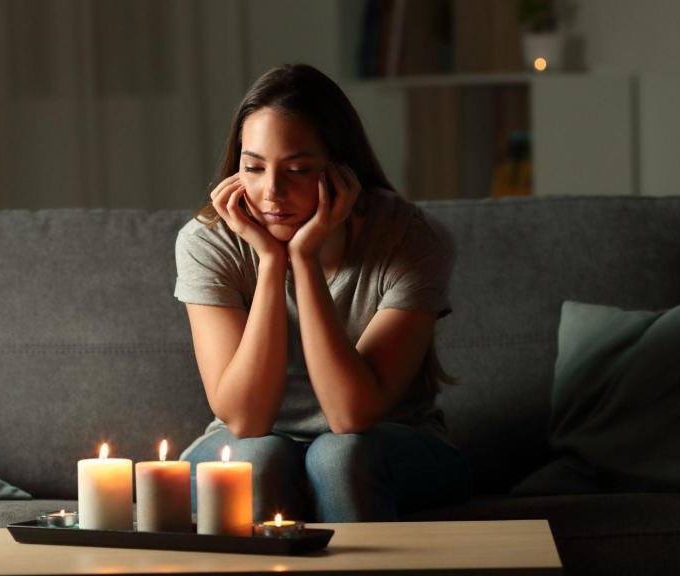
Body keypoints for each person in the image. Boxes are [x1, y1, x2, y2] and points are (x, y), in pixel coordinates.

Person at [174, 63, 469, 523]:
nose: (271, 191)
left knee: (338, 458)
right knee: (258, 460)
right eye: (253, 167)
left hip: (388, 441)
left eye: (298, 170)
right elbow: (247, 421)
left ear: (342, 172)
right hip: (252, 443)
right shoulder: (206, 243)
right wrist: (272, 263)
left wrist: (304, 259)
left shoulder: (409, 240)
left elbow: (352, 415)